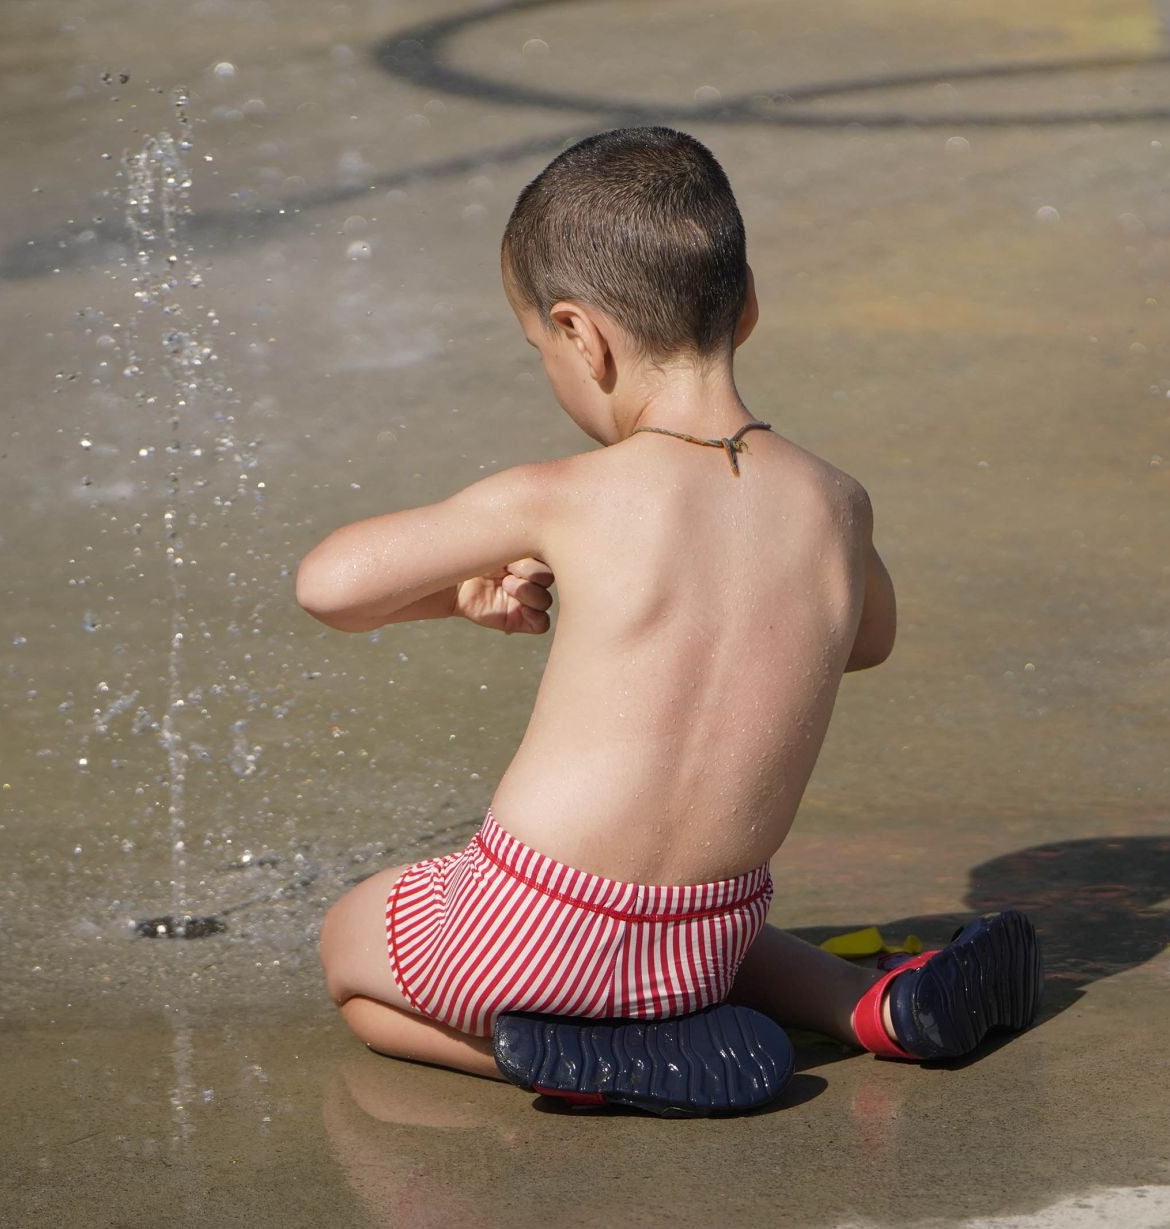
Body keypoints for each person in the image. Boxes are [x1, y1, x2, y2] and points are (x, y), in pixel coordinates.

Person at [299, 127, 1041, 1116]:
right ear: (750, 307)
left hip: (522, 925)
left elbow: (331, 585)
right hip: (702, 939)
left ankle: (568, 1062)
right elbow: (868, 639)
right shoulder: (835, 500)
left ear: (581, 335)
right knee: (677, 929)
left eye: (539, 351)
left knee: (351, 951)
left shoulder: (562, 497)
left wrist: (462, 592)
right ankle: (878, 1005)